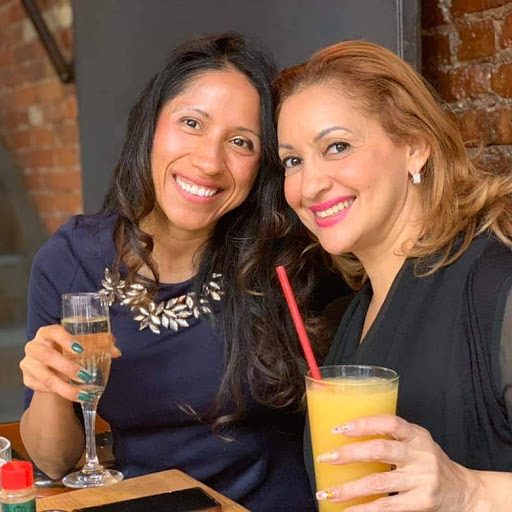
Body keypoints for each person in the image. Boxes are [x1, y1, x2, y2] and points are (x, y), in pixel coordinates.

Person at [19, 33, 320, 511]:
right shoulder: (71, 259)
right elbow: (56, 463)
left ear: (261, 164)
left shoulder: (281, 257)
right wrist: (49, 386)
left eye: (240, 142)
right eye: (191, 123)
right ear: (152, 126)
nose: (209, 161)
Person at [274, 40, 512, 510]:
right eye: (293, 161)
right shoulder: (355, 313)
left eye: (337, 146)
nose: (309, 185)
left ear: (416, 147)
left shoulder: (494, 284)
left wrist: (469, 490)